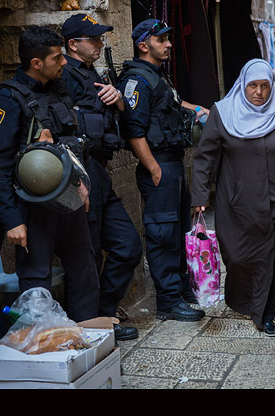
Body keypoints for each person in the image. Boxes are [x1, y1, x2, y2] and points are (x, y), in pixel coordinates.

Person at [0, 26, 100, 323]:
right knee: (36, 281)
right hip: (32, 209)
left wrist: (80, 188)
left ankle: (85, 342)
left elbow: (72, 148)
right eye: (58, 58)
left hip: (68, 200)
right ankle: (39, 350)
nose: (64, 63)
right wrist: (13, 221)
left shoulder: (58, 90)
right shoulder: (7, 100)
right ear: (36, 63)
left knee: (84, 271)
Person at [190, 59, 275, 337]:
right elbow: (205, 157)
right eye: (252, 85)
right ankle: (249, 301)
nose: (259, 92)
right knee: (241, 258)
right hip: (238, 204)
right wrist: (200, 195)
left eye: (265, 86)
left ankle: (265, 313)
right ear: (242, 85)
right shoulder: (223, 112)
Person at [115, 19, 209, 322]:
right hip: (160, 166)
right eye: (162, 40)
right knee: (162, 233)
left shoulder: (157, 77)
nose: (169, 44)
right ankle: (168, 302)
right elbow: (134, 130)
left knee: (178, 230)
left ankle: (181, 289)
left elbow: (172, 103)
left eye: (169, 39)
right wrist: (153, 168)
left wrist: (196, 109)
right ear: (144, 45)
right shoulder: (136, 81)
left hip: (173, 162)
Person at [60, 13, 143, 341]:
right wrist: (75, 181)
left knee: (127, 245)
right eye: (92, 40)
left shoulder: (92, 73)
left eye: (99, 38)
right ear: (73, 44)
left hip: (100, 172)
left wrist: (120, 100)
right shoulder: (64, 75)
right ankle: (86, 326)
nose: (99, 44)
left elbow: (113, 120)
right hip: (79, 172)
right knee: (87, 254)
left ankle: (104, 312)